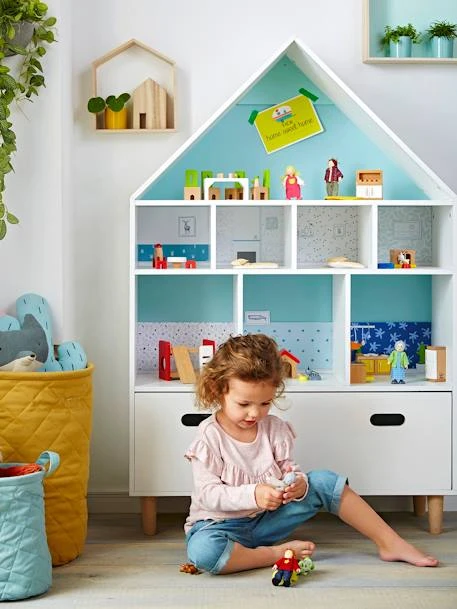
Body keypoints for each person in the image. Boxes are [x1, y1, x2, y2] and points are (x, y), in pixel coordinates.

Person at [184, 334, 438, 574]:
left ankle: (390, 542)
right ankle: (275, 554)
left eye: (264, 403)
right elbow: (208, 495)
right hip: (219, 527)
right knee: (204, 552)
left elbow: (289, 469)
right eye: (244, 404)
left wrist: (298, 485)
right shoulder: (209, 435)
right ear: (218, 390)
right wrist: (254, 494)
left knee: (324, 481)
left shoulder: (273, 428)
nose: (254, 413)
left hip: (267, 522)